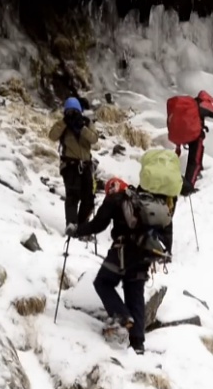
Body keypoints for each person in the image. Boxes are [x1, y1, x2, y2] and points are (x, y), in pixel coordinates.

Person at [65, 151, 180, 356]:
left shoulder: (115, 200)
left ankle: (122, 317)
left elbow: (98, 225)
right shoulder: (146, 202)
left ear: (111, 189)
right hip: (145, 255)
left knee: (103, 282)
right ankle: (137, 345)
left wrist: (76, 231)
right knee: (134, 292)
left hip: (122, 252)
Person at [49, 97, 99, 228]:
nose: (72, 114)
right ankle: (71, 225)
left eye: (74, 112)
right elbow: (52, 136)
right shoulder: (63, 125)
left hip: (86, 165)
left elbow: (94, 139)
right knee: (73, 195)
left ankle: (82, 226)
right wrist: (64, 122)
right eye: (69, 112)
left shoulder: (86, 123)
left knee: (88, 198)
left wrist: (81, 127)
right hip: (70, 165)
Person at [177, 91, 213, 196]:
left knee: (194, 157)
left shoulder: (191, 105)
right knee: (195, 160)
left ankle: (194, 175)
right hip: (195, 135)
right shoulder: (203, 105)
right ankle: (188, 186)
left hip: (184, 133)